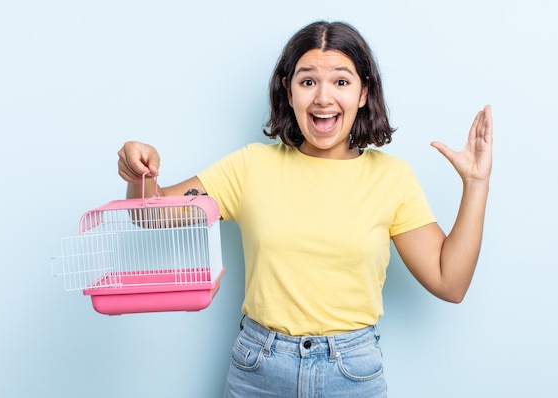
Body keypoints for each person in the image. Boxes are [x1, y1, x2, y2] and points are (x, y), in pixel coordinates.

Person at [117, 20, 492, 398]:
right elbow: (151, 212)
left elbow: (450, 281)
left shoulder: (392, 178)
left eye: (341, 82)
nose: (323, 98)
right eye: (308, 81)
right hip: (258, 370)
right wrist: (138, 174)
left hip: (351, 372)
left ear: (364, 92)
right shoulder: (251, 167)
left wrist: (476, 184)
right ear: (289, 90)